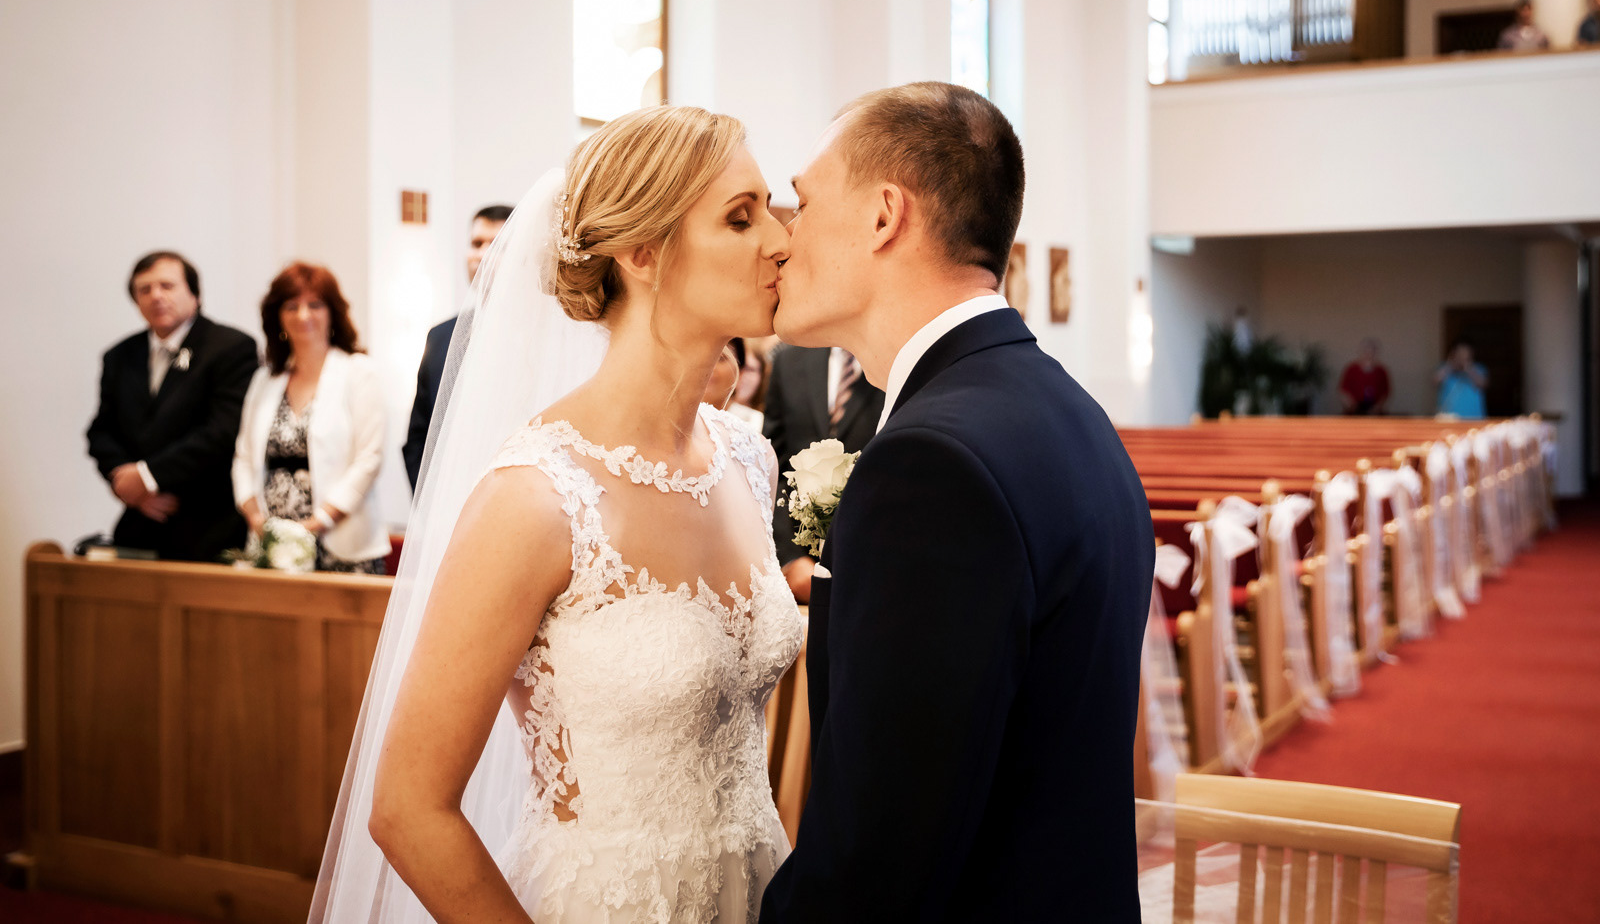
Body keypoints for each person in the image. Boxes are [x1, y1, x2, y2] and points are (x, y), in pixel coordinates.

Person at [315, 105, 800, 922]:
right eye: (741, 218)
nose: (781, 241)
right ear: (642, 252)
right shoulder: (536, 495)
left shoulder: (749, 457)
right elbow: (407, 807)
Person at [760, 81, 1153, 921]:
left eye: (802, 202)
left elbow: (877, 865)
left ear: (883, 216)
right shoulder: (1065, 408)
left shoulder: (931, 465)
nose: (783, 237)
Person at [86, 252, 259, 561]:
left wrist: (148, 476)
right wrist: (125, 484)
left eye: (167, 286)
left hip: (209, 525)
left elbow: (223, 431)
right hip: (140, 524)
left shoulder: (231, 347)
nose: (156, 296)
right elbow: (101, 431)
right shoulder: (120, 356)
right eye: (145, 289)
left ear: (195, 294)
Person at [232, 263, 391, 573]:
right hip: (271, 544)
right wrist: (256, 519)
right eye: (291, 306)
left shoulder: (358, 372)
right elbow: (243, 457)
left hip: (341, 542)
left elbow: (369, 460)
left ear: (333, 312)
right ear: (277, 316)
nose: (303, 315)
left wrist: (317, 523)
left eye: (315, 305)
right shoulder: (265, 380)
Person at [762, 343, 884, 602]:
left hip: (873, 562)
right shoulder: (789, 360)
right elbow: (773, 469)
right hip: (800, 568)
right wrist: (790, 558)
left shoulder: (891, 357)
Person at [402, 204, 512, 489]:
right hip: (446, 498)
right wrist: (429, 503)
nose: (481, 254)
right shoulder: (440, 337)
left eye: (496, 245)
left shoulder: (539, 334)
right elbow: (419, 434)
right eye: (476, 243)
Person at [1435, 339, 1488, 419]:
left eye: (1465, 353)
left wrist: (1468, 368)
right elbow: (1436, 380)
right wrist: (1451, 365)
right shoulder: (1445, 368)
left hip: (1475, 418)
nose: (1462, 356)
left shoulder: (1479, 368)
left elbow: (1483, 384)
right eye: (1459, 353)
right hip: (1449, 419)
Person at [1338, 337, 1391, 415]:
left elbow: (1385, 392)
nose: (1368, 354)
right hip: (1354, 409)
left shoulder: (1381, 371)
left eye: (1371, 351)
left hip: (1375, 409)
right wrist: (1352, 406)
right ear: (1360, 352)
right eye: (1366, 351)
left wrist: (1377, 407)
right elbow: (1343, 390)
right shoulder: (1351, 369)